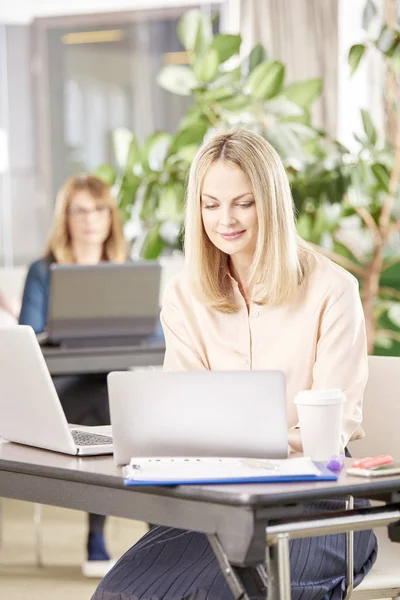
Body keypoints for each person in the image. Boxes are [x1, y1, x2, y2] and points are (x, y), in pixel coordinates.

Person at [93, 130, 377, 600]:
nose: (225, 220)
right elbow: (183, 416)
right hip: (220, 499)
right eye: (210, 204)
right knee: (117, 595)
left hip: (319, 500)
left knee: (220, 594)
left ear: (271, 202)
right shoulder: (185, 296)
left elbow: (331, 430)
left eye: (243, 203)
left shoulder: (332, 290)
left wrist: (246, 444)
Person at [19, 173, 127, 577]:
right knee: (104, 397)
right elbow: (30, 336)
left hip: (110, 383)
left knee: (118, 394)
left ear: (110, 217)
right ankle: (101, 534)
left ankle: (131, 532)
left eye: (98, 209)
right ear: (65, 218)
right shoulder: (43, 271)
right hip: (60, 390)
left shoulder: (126, 270)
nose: (90, 219)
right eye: (79, 210)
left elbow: (154, 334)